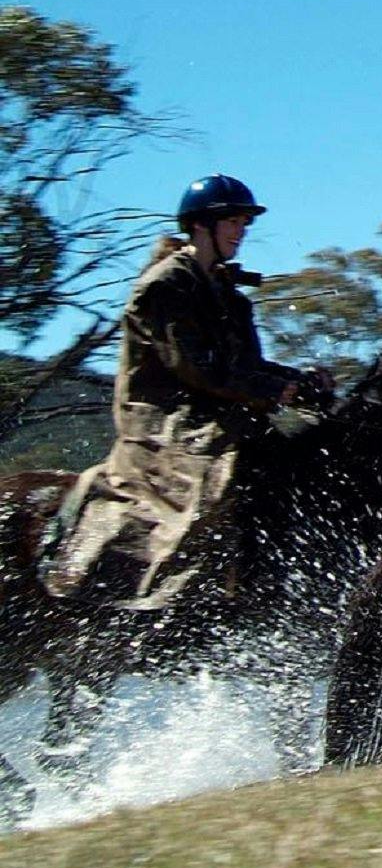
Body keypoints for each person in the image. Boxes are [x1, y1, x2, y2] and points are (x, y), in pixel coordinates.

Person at [39, 175, 334, 610]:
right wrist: (278, 390)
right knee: (218, 479)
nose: (240, 232)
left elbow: (247, 367)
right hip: (163, 424)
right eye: (231, 222)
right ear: (200, 226)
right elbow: (197, 370)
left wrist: (303, 383)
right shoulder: (164, 285)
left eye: (242, 223)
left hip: (218, 411)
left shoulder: (232, 297)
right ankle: (175, 594)